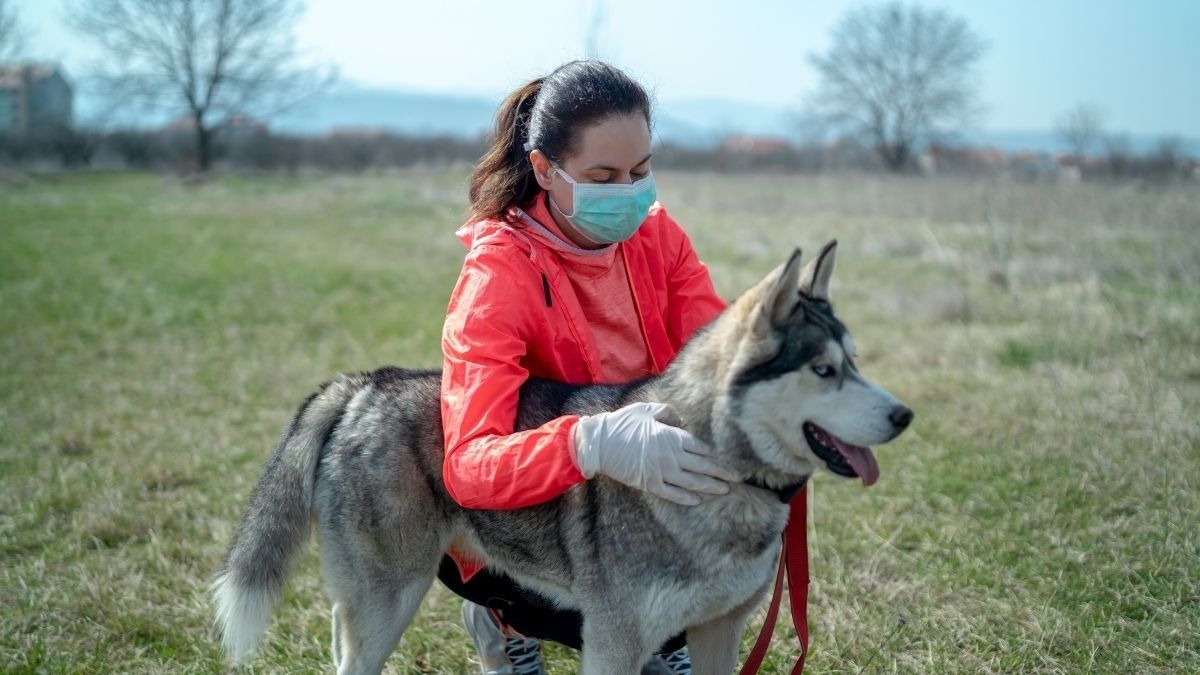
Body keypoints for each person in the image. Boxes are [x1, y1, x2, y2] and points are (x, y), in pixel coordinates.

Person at [437, 60, 801, 675]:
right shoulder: (496, 278)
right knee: (547, 588)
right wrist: (590, 442)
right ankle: (504, 619)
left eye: (641, 171)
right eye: (603, 175)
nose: (629, 192)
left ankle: (657, 639)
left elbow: (716, 351)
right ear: (545, 169)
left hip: (646, 491)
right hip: (546, 513)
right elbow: (469, 469)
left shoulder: (658, 237)